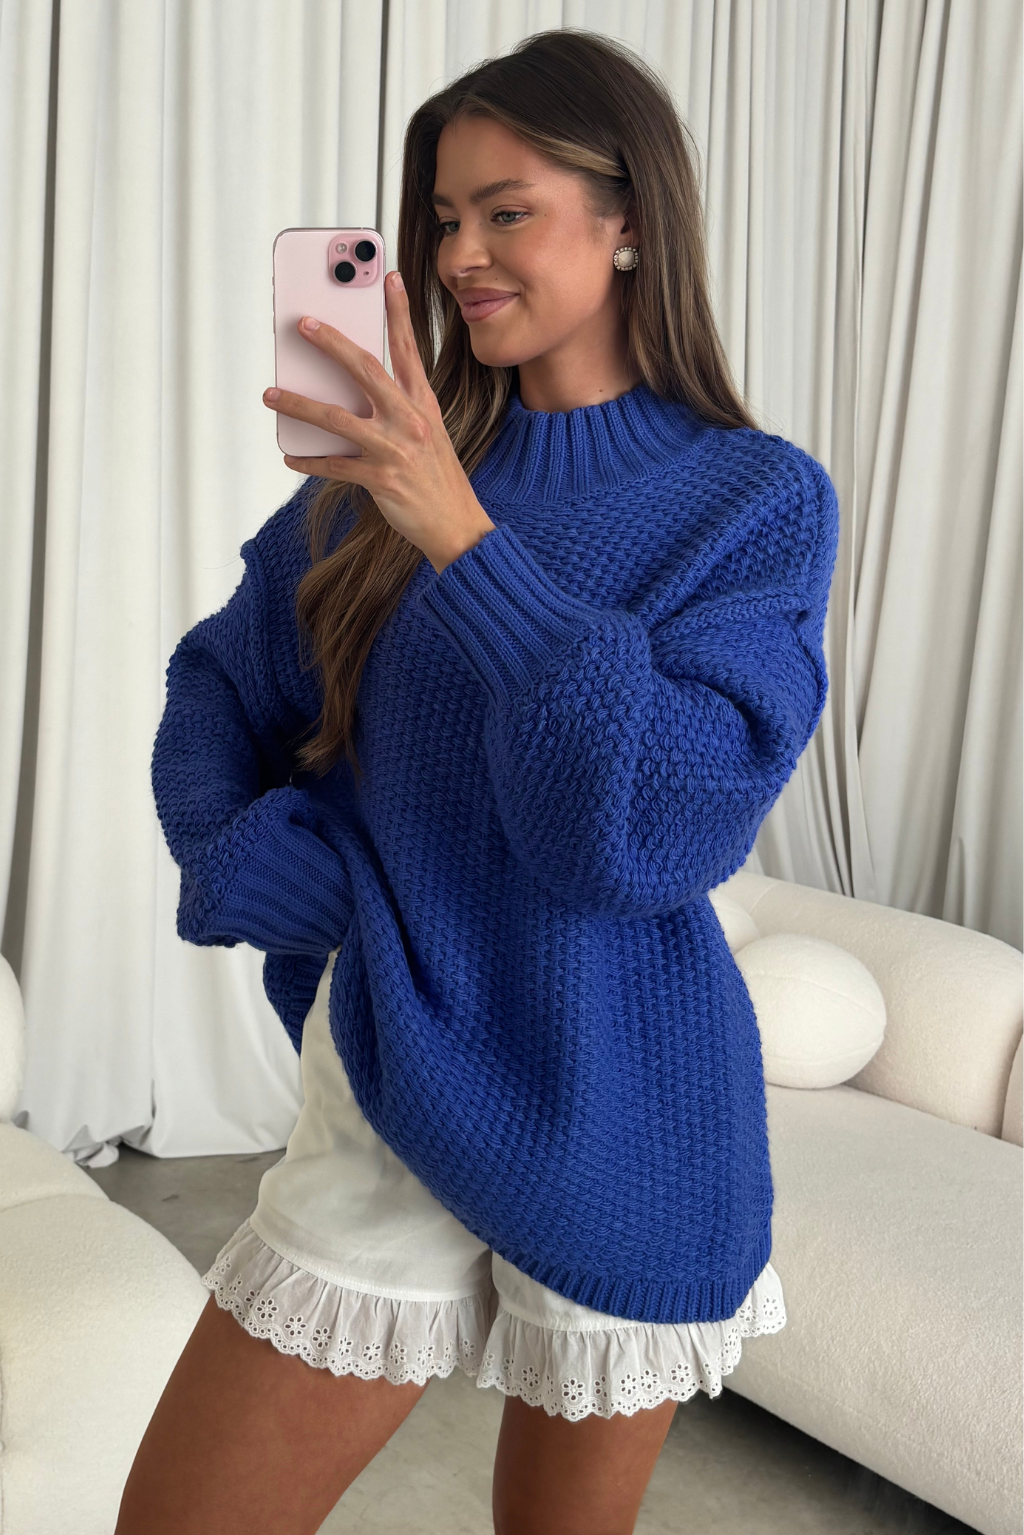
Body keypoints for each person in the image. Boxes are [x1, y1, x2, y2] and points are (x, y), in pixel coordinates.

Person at [118, 27, 839, 1535]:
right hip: (395, 1070)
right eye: (441, 217)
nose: (456, 256)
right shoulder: (382, 469)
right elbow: (220, 687)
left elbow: (638, 832)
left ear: (628, 219)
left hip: (624, 1098)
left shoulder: (750, 500)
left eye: (506, 211)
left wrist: (460, 534)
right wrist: (257, 863)